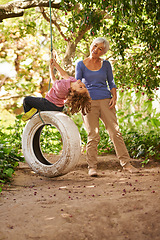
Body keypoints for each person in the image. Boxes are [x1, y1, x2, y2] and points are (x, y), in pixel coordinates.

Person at [75, 37, 139, 176]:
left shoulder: (106, 65)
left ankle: (126, 164)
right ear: (91, 45)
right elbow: (77, 83)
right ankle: (92, 167)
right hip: (89, 103)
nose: (96, 50)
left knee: (115, 133)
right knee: (93, 135)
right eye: (95, 46)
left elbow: (111, 82)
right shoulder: (80, 64)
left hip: (106, 101)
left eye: (100, 49)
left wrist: (114, 97)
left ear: (103, 52)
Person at [22, 58, 91, 121]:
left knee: (26, 100)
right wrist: (55, 64)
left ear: (73, 90)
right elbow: (64, 74)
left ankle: (34, 117)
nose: (82, 85)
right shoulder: (73, 81)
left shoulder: (62, 88)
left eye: (81, 87)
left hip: (50, 105)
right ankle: (38, 113)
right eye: (84, 86)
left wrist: (51, 69)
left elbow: (53, 79)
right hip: (59, 106)